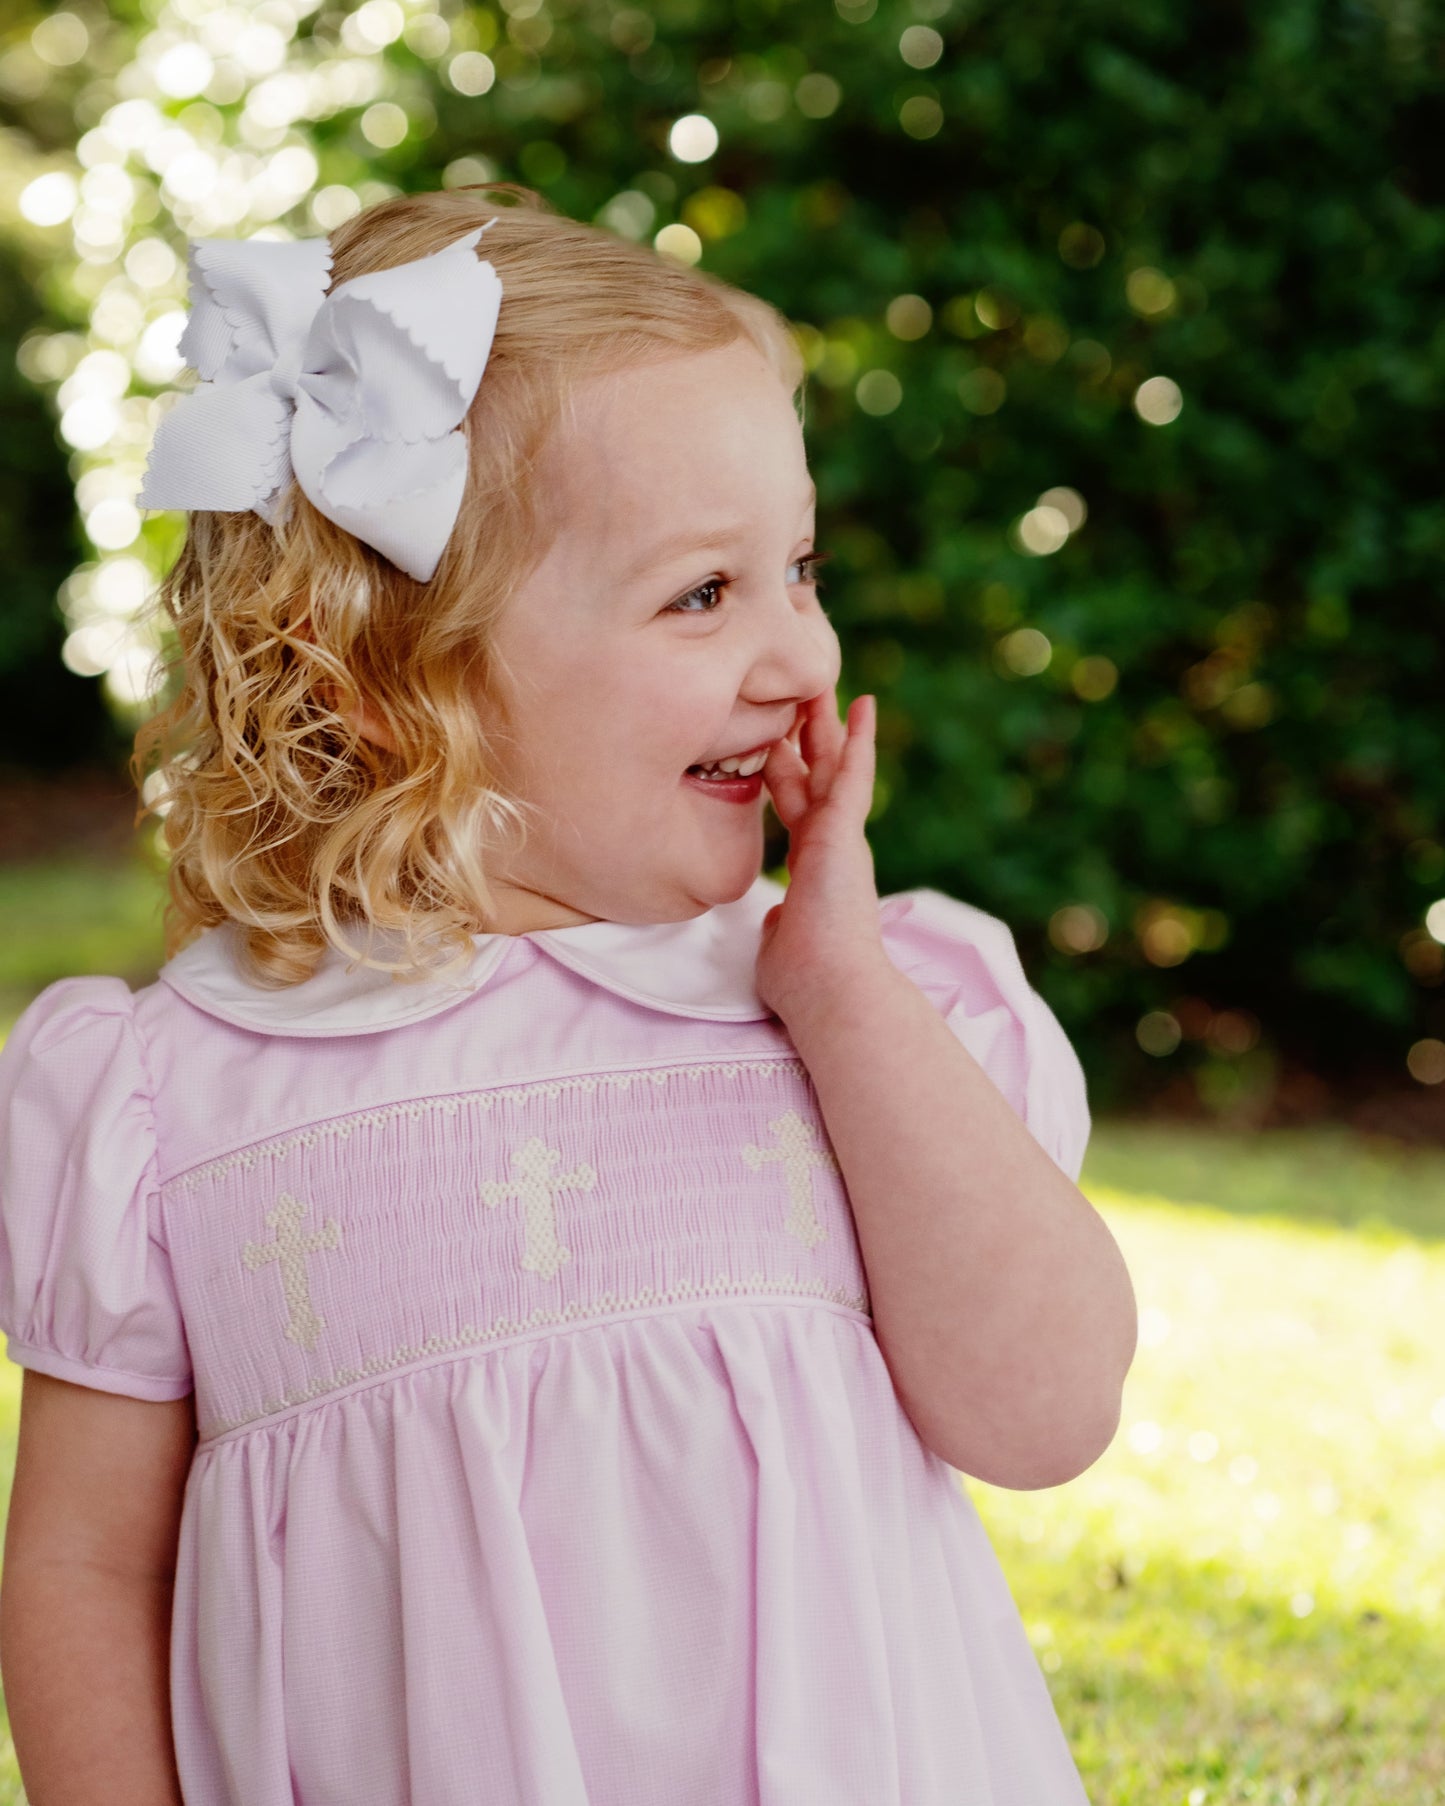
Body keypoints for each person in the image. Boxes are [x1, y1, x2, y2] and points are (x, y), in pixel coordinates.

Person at [0, 183, 1136, 1805]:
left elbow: (1044, 1410)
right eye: (703, 593)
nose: (802, 658)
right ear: (394, 683)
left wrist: (839, 993)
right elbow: (87, 1576)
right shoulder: (175, 1097)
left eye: (798, 568)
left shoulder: (866, 1011)